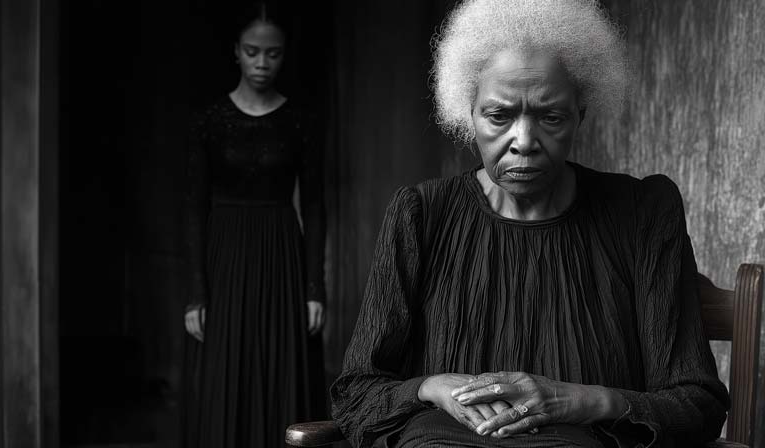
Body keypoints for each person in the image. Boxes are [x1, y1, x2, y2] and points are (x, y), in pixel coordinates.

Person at [330, 0, 729, 447]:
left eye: (551, 116)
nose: (524, 142)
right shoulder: (421, 216)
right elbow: (356, 395)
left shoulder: (642, 214)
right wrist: (433, 387)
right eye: (499, 116)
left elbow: (696, 405)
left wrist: (576, 399)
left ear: (581, 113)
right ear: (469, 112)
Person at [182, 3, 327, 446]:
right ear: (236, 52)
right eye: (252, 51)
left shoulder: (300, 121)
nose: (262, 63)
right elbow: (193, 207)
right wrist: (195, 293)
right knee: (224, 372)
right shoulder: (209, 121)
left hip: (282, 253)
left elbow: (317, 207)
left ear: (284, 55)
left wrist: (313, 289)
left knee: (282, 367)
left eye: (273, 53)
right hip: (224, 257)